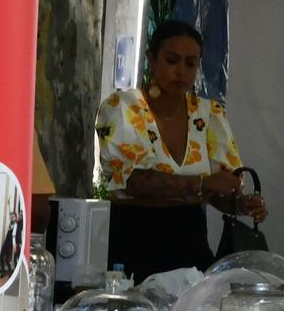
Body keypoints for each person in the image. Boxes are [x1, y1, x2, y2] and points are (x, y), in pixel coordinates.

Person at [101, 19, 268, 278]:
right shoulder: (122, 108)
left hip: (190, 242)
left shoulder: (210, 113)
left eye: (190, 63)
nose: (181, 70)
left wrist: (243, 205)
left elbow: (220, 191)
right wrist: (203, 185)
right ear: (152, 60)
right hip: (134, 238)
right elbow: (134, 182)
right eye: (172, 60)